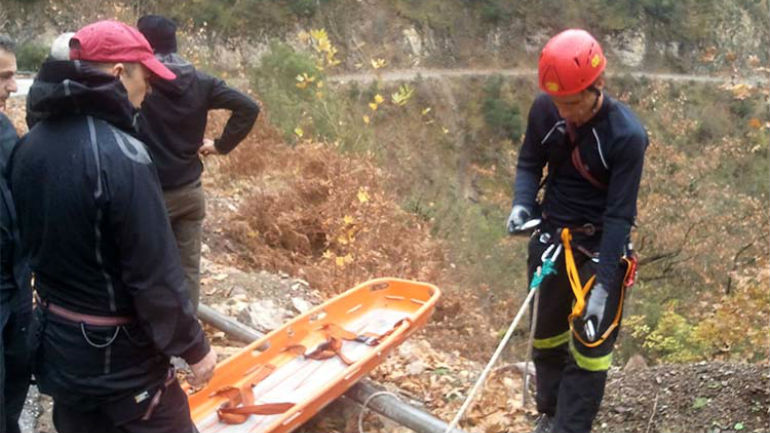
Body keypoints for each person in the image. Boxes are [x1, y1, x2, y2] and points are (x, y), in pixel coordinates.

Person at [9, 20, 216, 432]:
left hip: (59, 351)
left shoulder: (29, 145)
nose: (151, 89)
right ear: (120, 73)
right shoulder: (124, 156)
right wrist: (195, 348)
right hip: (123, 366)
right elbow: (154, 276)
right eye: (146, 76)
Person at [506, 29, 648, 433]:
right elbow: (530, 162)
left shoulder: (626, 136)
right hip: (552, 238)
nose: (564, 112)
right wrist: (521, 202)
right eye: (558, 102)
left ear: (597, 85)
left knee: (590, 349)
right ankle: (549, 411)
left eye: (573, 103)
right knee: (546, 335)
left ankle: (570, 428)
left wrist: (604, 285)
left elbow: (621, 215)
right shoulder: (545, 110)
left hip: (599, 246)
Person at [136, 14, 260, 311]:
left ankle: (150, 337)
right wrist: (219, 145)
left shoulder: (139, 83)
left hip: (151, 194)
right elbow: (248, 107)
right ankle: (186, 337)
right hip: (191, 191)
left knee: (145, 268)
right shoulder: (201, 81)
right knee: (188, 270)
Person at [0, 34, 34, 433]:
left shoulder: (7, 131)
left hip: (17, 286)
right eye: (5, 76)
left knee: (16, 383)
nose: (13, 86)